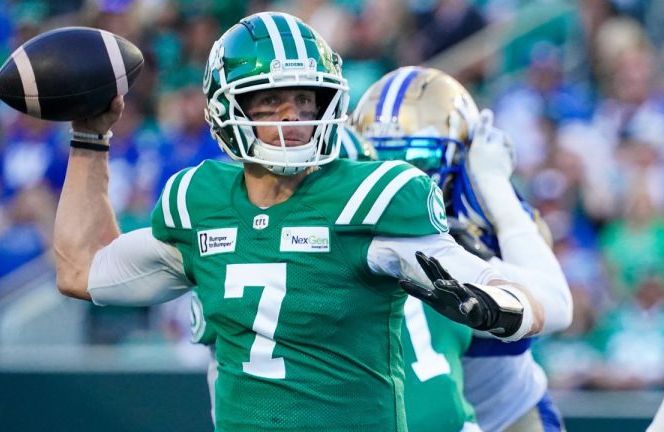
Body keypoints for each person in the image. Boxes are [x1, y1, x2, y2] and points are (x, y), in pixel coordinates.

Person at [54, 12, 546, 431]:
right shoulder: (197, 201)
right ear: (228, 107)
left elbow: (491, 285)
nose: (293, 119)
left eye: (305, 101)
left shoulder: (371, 197)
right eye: (270, 102)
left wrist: (499, 308)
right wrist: (89, 138)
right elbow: (81, 269)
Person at [353, 66, 572, 432]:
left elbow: (557, 307)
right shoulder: (351, 223)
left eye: (417, 157)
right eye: (379, 158)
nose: (398, 176)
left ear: (462, 160)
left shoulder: (481, 218)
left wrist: (493, 187)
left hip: (508, 416)